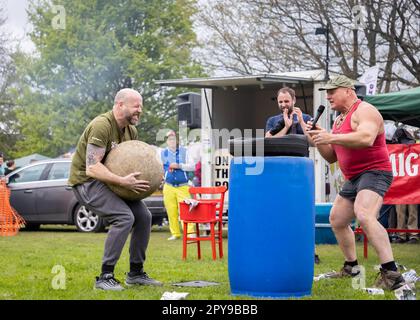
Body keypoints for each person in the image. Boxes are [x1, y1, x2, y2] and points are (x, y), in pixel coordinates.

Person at [306, 75, 405, 290]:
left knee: (364, 214)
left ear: (349, 91)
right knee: (337, 219)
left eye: (333, 91)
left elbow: (366, 138)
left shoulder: (364, 110)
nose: (328, 96)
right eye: (327, 92)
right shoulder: (340, 118)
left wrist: (329, 137)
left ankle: (392, 274)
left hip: (375, 172)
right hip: (354, 177)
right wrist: (317, 138)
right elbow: (332, 156)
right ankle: (352, 267)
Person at [68, 88, 162, 291]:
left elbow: (131, 163)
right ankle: (105, 276)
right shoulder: (101, 125)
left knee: (144, 216)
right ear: (120, 105)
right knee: (124, 217)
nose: (140, 110)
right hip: (86, 182)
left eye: (141, 107)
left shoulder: (131, 130)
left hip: (112, 182)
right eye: (136, 106)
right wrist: (122, 181)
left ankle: (135, 273)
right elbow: (92, 167)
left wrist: (154, 177)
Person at [161, 130, 196, 240]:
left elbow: (192, 166)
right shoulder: (162, 153)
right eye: (169, 138)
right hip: (168, 185)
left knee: (186, 210)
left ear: (176, 140)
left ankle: (190, 233)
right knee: (171, 210)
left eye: (173, 138)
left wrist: (179, 165)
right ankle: (175, 233)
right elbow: (159, 168)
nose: (171, 141)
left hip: (183, 185)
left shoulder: (185, 151)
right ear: (166, 141)